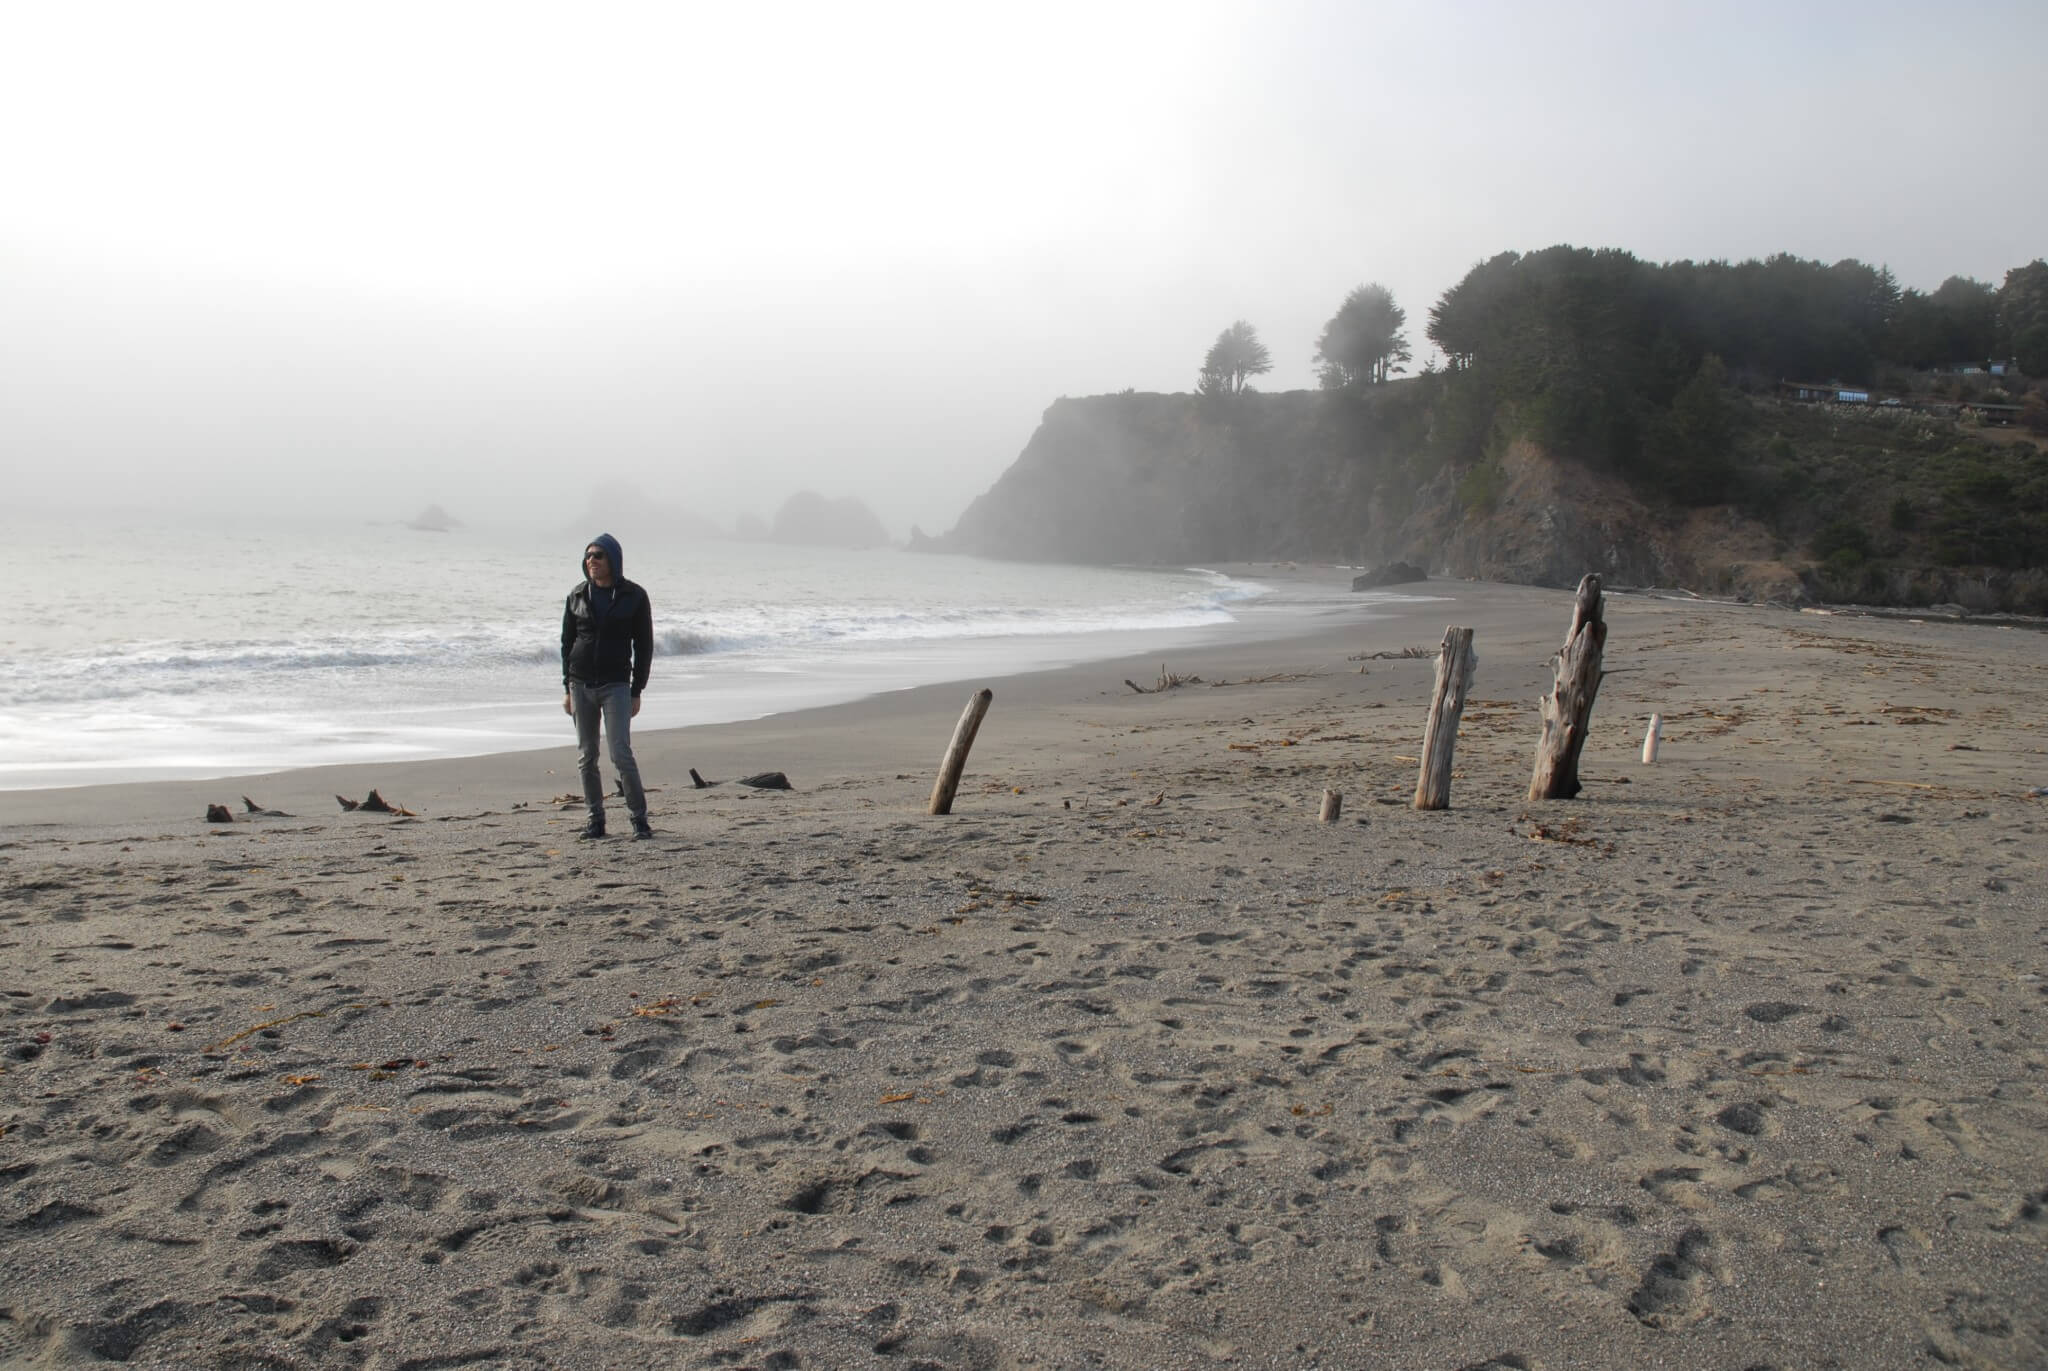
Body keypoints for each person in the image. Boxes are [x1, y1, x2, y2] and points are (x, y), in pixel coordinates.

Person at [561, 533, 654, 839]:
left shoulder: (634, 596)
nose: (592, 561)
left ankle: (639, 819)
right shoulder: (576, 596)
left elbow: (644, 646)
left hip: (616, 685)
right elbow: (567, 643)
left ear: (613, 559)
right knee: (586, 756)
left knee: (620, 753)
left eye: (598, 555)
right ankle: (595, 821)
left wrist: (636, 689)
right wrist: (566, 688)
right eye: (588, 556)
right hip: (580, 684)